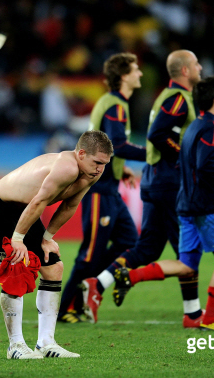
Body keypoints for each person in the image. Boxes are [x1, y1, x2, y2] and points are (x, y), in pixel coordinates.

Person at [79, 50, 213, 328]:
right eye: (197, 63)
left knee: (148, 248)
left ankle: (98, 284)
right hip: (169, 183)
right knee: (186, 252)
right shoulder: (178, 98)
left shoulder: (167, 97)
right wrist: (184, 155)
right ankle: (193, 314)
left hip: (156, 180)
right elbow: (157, 135)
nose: (201, 66)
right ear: (185, 71)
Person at [0, 130, 113, 359]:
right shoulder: (67, 167)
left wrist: (47, 238)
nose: (100, 168)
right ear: (80, 153)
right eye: (97, 162)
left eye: (105, 163)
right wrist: (18, 239)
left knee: (53, 268)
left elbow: (69, 206)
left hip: (25, 210)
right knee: (16, 267)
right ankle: (16, 346)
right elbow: (40, 201)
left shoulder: (91, 172)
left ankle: (46, 343)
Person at [57, 52, 146, 324]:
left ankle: (91, 284)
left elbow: (107, 147)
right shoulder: (116, 106)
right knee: (90, 253)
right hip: (98, 189)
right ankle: (65, 309)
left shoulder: (112, 103)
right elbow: (117, 145)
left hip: (109, 188)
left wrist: (120, 167)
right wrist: (156, 154)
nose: (140, 73)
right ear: (123, 76)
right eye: (135, 69)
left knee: (130, 241)